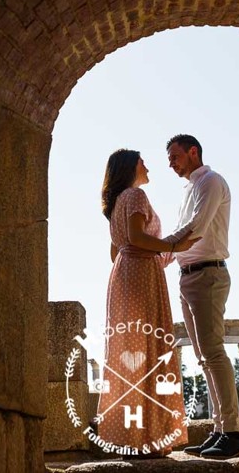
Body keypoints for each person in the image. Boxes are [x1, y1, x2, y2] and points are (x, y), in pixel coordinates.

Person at [96, 149, 199, 458]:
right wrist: (172, 244)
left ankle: (129, 437)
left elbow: (119, 250)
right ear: (130, 167)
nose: (148, 165)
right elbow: (138, 238)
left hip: (123, 276)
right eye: (142, 161)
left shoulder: (117, 203)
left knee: (129, 350)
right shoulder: (136, 197)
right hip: (140, 278)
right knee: (149, 351)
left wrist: (165, 253)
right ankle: (147, 438)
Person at [161, 134, 239, 459]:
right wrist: (162, 258)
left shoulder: (211, 182)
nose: (171, 163)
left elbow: (196, 228)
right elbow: (184, 234)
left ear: (193, 152)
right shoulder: (189, 189)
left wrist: (158, 251)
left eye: (175, 156)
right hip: (188, 277)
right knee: (204, 356)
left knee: (213, 352)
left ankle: (233, 432)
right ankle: (219, 429)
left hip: (208, 273)